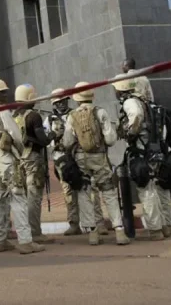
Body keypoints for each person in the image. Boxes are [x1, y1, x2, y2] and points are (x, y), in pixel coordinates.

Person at [0, 78, 43, 254]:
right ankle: (25, 241)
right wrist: (20, 153)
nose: (7, 95)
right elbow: (15, 135)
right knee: (19, 197)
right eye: (4, 92)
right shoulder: (2, 111)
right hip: (5, 158)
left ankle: (0, 240)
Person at [62, 82, 130, 246]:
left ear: (76, 98)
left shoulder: (72, 116)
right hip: (99, 157)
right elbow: (111, 139)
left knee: (85, 194)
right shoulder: (100, 112)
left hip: (80, 159)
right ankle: (119, 230)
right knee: (109, 192)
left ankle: (93, 233)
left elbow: (67, 141)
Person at [113, 77, 171, 240]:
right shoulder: (147, 102)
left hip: (142, 151)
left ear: (120, 90)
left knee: (147, 190)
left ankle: (156, 230)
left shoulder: (130, 102)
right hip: (157, 150)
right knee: (160, 188)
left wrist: (130, 132)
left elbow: (136, 115)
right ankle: (167, 226)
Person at [45, 89, 108, 236]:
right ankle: (74, 223)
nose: (61, 104)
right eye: (58, 102)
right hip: (61, 159)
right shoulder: (49, 120)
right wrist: (54, 135)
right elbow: (46, 139)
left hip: (79, 155)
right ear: (54, 104)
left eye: (64, 101)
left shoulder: (76, 114)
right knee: (68, 191)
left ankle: (99, 222)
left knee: (91, 188)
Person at [12, 84, 54, 244]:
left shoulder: (14, 115)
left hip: (19, 159)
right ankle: (35, 232)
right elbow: (42, 139)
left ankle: (24, 231)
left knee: (22, 197)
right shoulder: (33, 116)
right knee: (34, 196)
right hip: (33, 159)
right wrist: (52, 136)